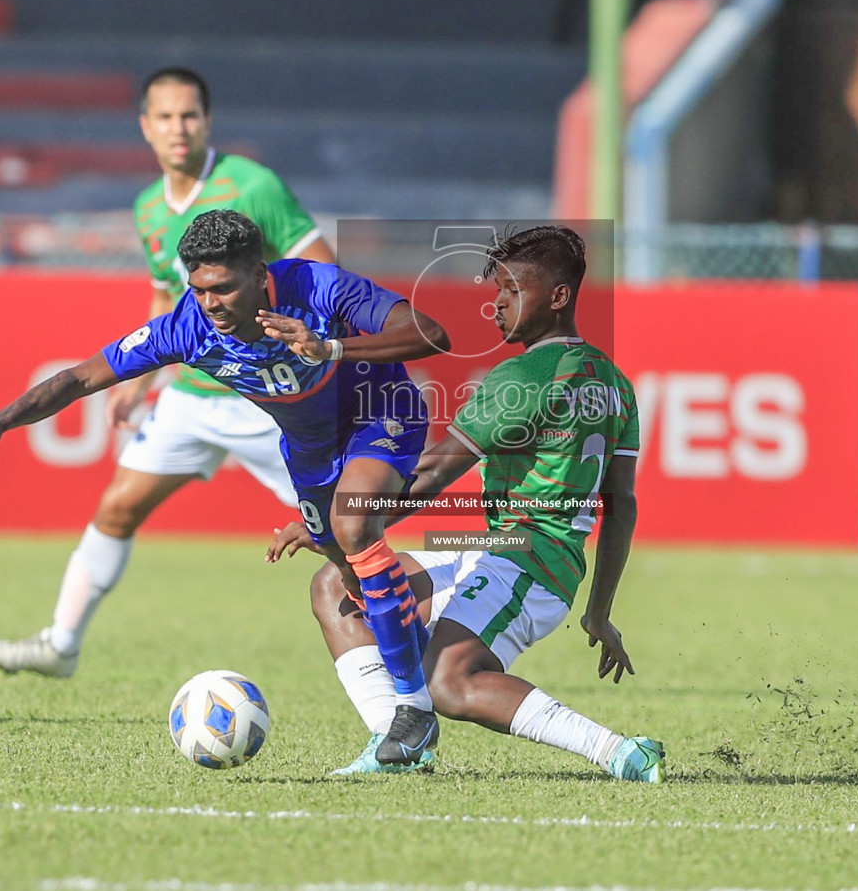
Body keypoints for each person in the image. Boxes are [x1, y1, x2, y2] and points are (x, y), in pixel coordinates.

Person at [0, 210, 451, 767]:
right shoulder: (187, 326)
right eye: (200, 289)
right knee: (345, 573)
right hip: (308, 449)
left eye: (224, 288)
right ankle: (422, 676)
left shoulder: (319, 286)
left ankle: (413, 710)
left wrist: (328, 349)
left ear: (260, 274)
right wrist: (4, 419)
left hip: (381, 415)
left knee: (352, 526)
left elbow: (432, 332)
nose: (212, 303)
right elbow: (83, 376)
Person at [270, 225, 664, 782]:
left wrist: (337, 528)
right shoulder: (616, 383)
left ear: (558, 297)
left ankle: (618, 750)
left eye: (511, 292)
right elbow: (621, 506)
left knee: (447, 682)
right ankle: (398, 745)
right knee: (337, 587)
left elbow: (431, 473)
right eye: (495, 291)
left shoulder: (524, 375)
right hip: (496, 546)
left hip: (528, 557)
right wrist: (599, 610)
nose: (496, 306)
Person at [0, 67, 335, 678]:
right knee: (117, 507)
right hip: (191, 397)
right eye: (165, 117)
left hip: (267, 400)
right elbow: (163, 299)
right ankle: (61, 645)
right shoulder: (148, 207)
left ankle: (417, 626)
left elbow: (322, 273)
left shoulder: (253, 185)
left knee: (342, 533)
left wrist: (304, 348)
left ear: (207, 120)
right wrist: (141, 384)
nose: (179, 128)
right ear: (145, 126)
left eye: (189, 115)